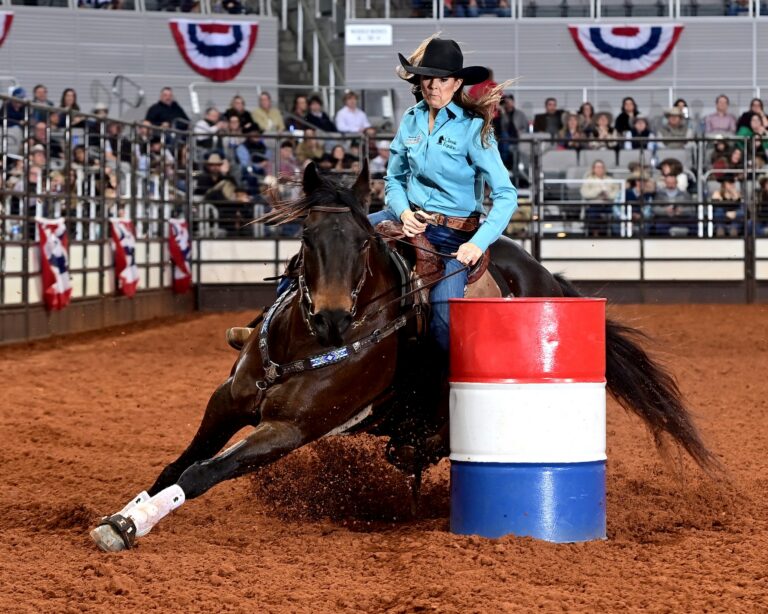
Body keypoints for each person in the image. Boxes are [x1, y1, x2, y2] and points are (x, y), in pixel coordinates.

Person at [370, 37, 517, 353]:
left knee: (442, 322)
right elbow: (393, 180)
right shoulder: (411, 119)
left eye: (443, 79)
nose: (433, 86)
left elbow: (506, 195)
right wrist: (404, 213)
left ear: (458, 83)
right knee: (334, 237)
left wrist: (477, 243)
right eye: (427, 78)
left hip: (452, 236)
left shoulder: (473, 129)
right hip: (406, 217)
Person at [580, 160, 620, 236]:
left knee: (616, 213)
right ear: (593, 169)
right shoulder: (588, 180)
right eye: (597, 167)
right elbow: (584, 193)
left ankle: (613, 235)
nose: (599, 169)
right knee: (593, 214)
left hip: (608, 204)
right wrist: (598, 191)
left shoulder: (611, 180)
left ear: (604, 169)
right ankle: (596, 235)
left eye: (601, 167)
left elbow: (617, 193)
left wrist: (608, 195)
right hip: (594, 204)